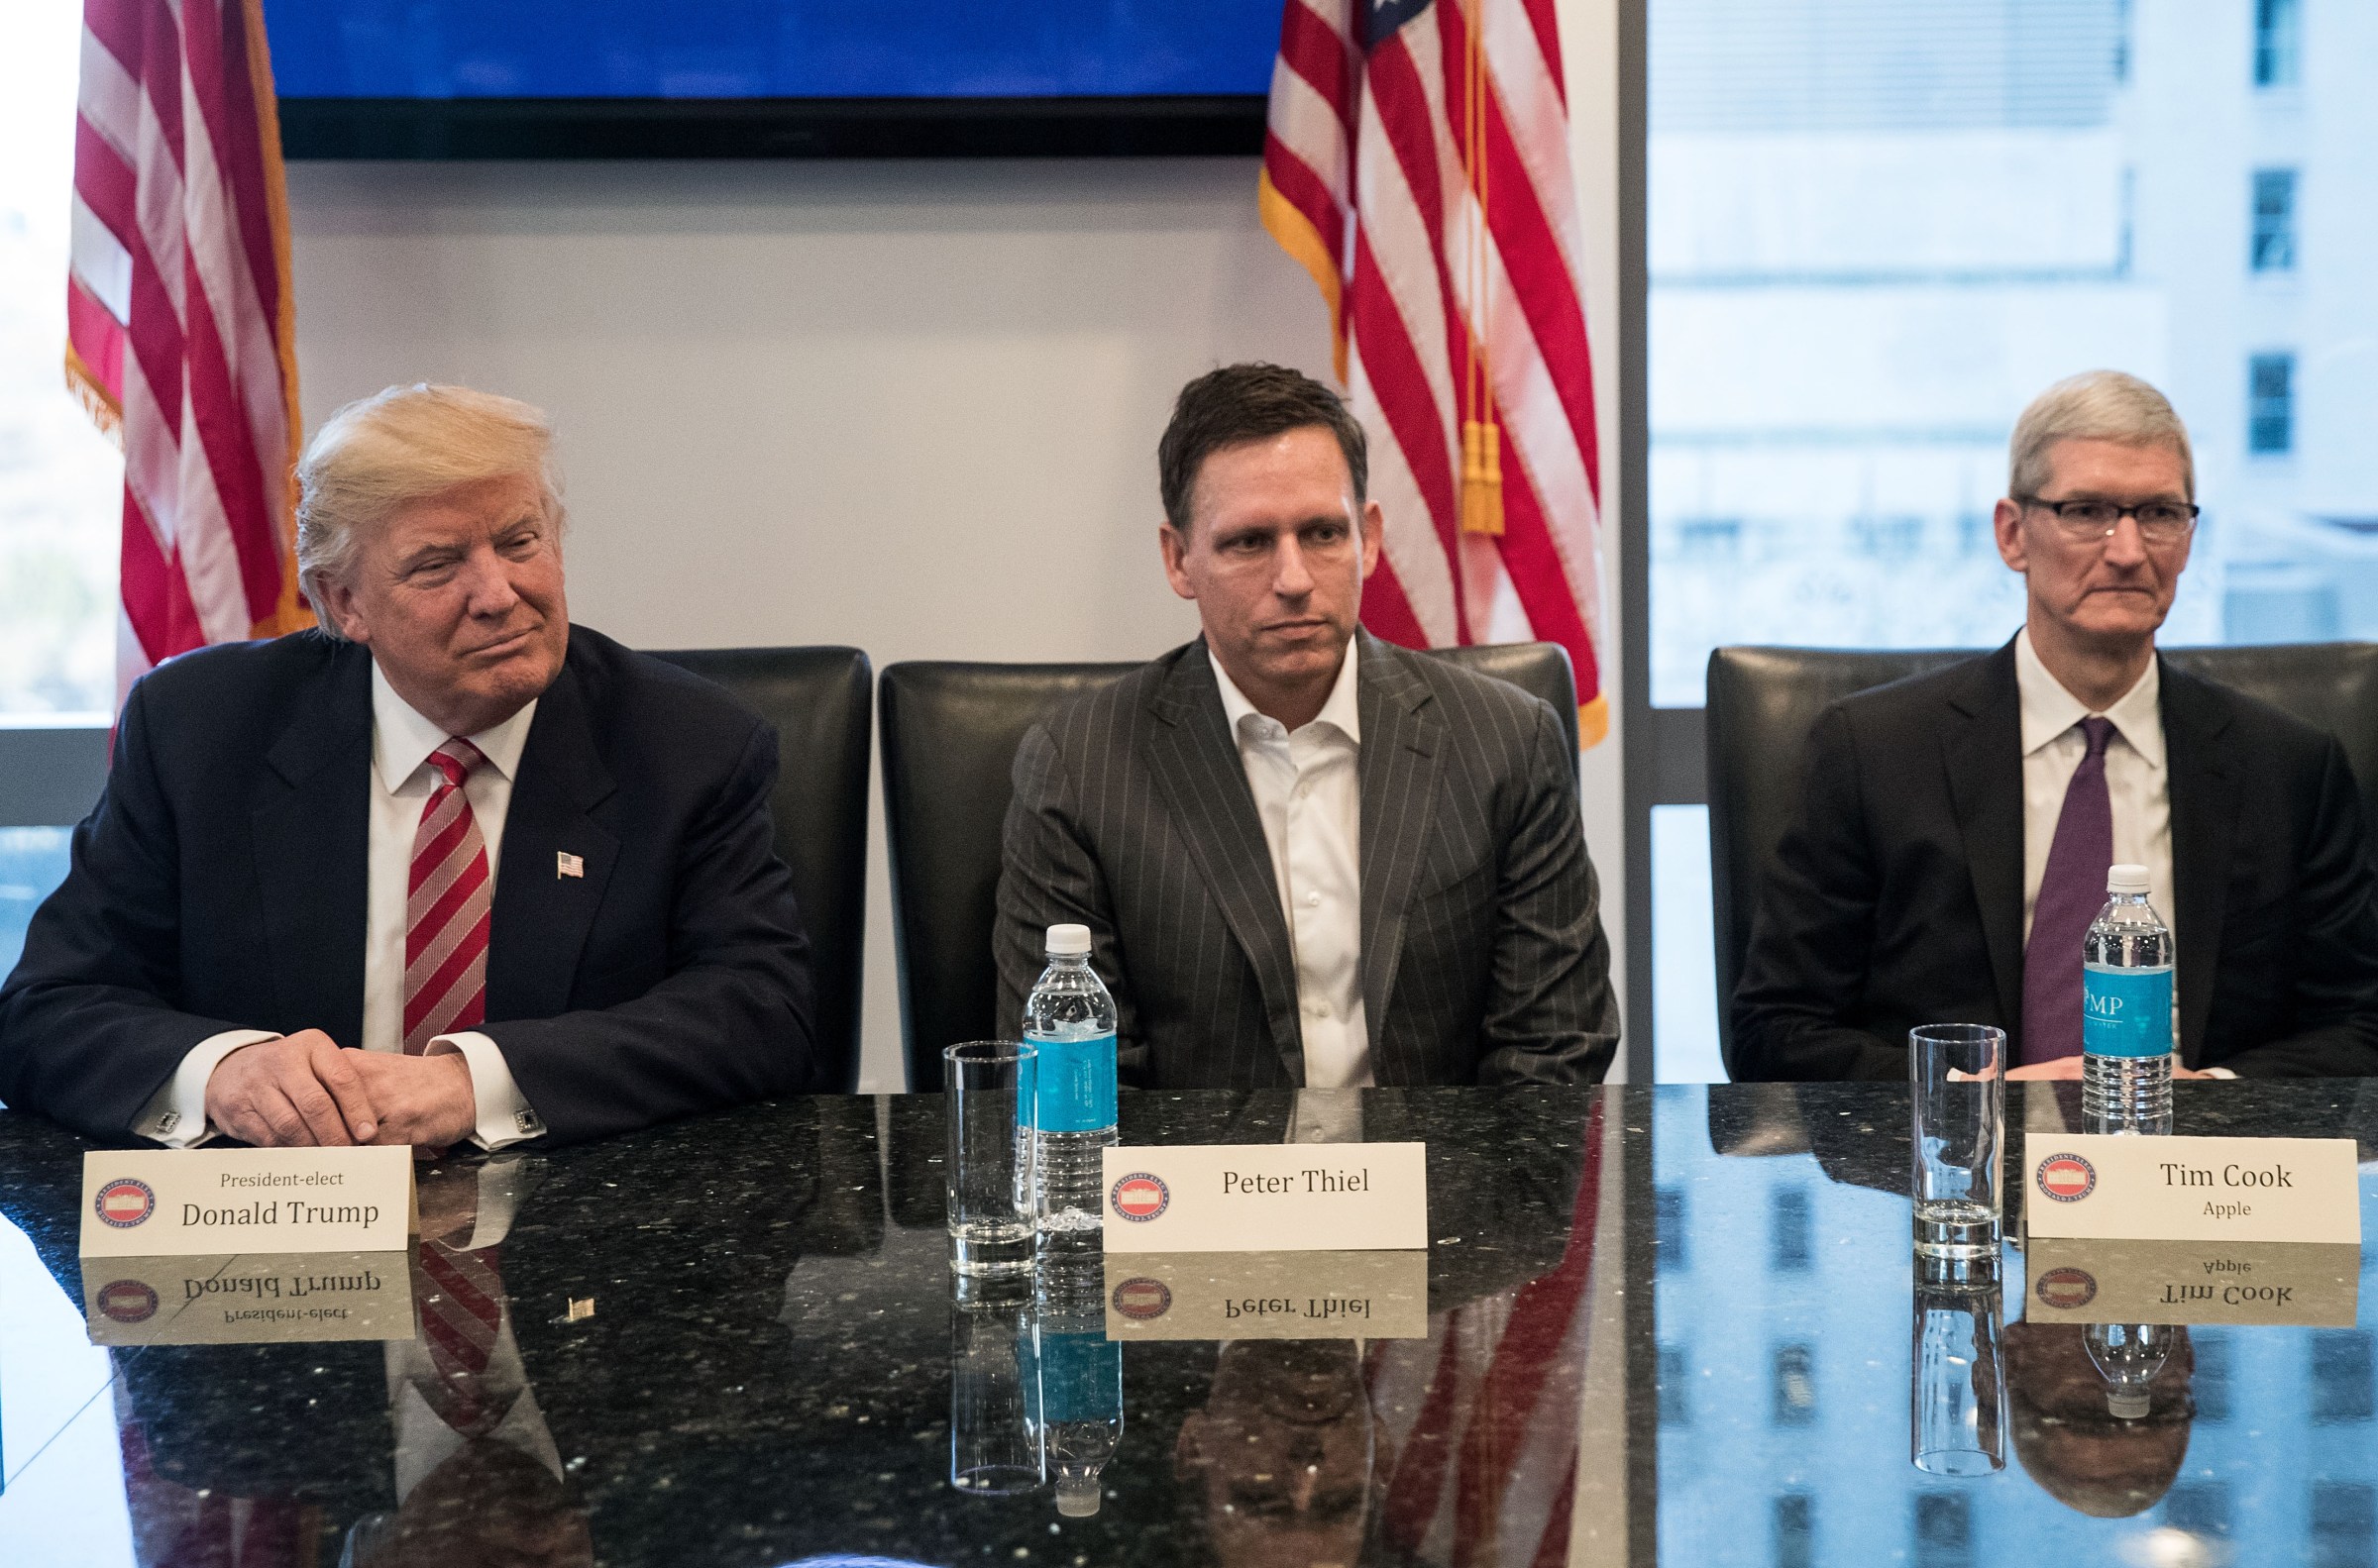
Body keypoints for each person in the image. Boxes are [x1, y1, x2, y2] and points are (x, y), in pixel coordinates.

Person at [0, 383, 813, 1149]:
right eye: (438, 564)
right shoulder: (201, 730)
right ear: (345, 602)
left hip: (576, 1246)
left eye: (519, 541)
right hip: (280, 1246)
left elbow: (760, 1010)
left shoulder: (685, 742)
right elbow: (50, 1008)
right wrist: (222, 1070)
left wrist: (474, 1085)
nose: (498, 592)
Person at [1731, 369, 2378, 1081]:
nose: (2128, 549)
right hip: (1957, 1174)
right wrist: (1981, 1096)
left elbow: (2359, 1027)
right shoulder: (1873, 752)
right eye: (2086, 510)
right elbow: (1775, 1032)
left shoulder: (2287, 768)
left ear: (2190, 539)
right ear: (2013, 534)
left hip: (2200, 1177)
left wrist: (2208, 1100)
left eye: (2160, 513)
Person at [995, 363, 1619, 1089]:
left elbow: (1553, 1059)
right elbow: (1079, 1091)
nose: (1293, 578)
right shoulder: (1079, 769)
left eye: (1323, 532)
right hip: (1192, 1199)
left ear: (1371, 537)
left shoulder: (1507, 744)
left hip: (1440, 1196)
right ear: (1178, 559)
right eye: (1250, 542)